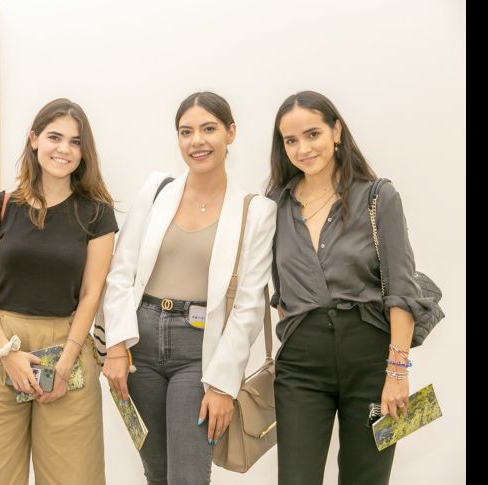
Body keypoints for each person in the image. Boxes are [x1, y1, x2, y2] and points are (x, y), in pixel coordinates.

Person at [101, 91, 276, 485]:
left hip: (199, 352)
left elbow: (248, 306)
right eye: (186, 131)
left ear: (230, 133)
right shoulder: (156, 190)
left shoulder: (256, 211)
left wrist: (222, 384)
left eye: (209, 129)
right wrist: (115, 346)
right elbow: (120, 271)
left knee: (189, 478)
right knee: (156, 473)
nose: (197, 140)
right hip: (138, 348)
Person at [266, 90, 435, 485]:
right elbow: (279, 289)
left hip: (372, 362)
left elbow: (402, 291)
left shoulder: (378, 196)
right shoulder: (273, 205)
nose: (303, 148)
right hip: (300, 367)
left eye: (312, 134)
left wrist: (397, 372)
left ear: (336, 130)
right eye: (290, 140)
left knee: (366, 479)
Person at [0, 98, 117, 485]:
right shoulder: (1, 207)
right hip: (1, 346)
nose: (63, 149)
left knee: (74, 477)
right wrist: (8, 354)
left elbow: (91, 293)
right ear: (34, 140)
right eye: (54, 137)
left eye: (75, 141)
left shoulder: (97, 213)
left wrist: (66, 361)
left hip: (69, 345)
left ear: (84, 152)